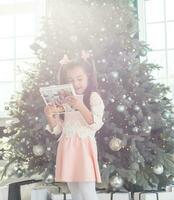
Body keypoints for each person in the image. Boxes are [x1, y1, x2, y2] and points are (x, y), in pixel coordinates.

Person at [44, 53, 104, 200]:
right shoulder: (64, 100)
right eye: (71, 80)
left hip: (83, 147)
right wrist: (49, 115)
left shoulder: (93, 97)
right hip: (67, 147)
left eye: (80, 79)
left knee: (87, 191)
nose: (76, 84)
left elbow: (94, 124)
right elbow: (57, 129)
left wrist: (79, 105)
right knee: (75, 191)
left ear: (88, 77)